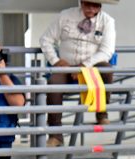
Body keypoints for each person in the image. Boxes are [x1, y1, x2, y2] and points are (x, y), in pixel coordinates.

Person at [40, 0, 117, 147]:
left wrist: (84, 66)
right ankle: (55, 134)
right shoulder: (65, 16)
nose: (91, 8)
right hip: (66, 66)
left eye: (95, 5)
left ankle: (101, 113)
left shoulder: (107, 21)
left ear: (100, 6)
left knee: (107, 70)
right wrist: (56, 61)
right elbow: (46, 40)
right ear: (81, 3)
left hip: (92, 66)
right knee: (53, 84)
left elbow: (106, 51)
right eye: (88, 4)